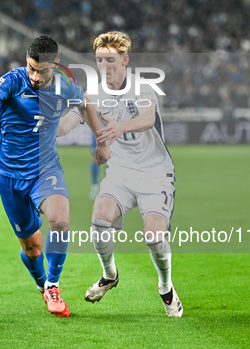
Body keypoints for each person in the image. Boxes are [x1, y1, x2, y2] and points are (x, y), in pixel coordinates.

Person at [0, 35, 110, 317]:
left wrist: (101, 142)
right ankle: (43, 286)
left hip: (46, 169)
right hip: (9, 176)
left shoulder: (65, 85)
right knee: (33, 249)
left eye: (41, 70)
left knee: (60, 219)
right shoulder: (13, 80)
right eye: (30, 67)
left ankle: (54, 285)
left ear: (54, 65)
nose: (34, 76)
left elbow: (85, 104)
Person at [59, 31, 183, 317]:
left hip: (155, 174)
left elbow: (147, 117)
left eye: (111, 60)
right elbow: (70, 121)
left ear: (125, 60)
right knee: (99, 218)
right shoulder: (94, 95)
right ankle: (109, 274)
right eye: (100, 60)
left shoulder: (142, 88)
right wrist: (48, 132)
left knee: (154, 237)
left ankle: (166, 287)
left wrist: (120, 127)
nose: (105, 65)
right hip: (121, 173)